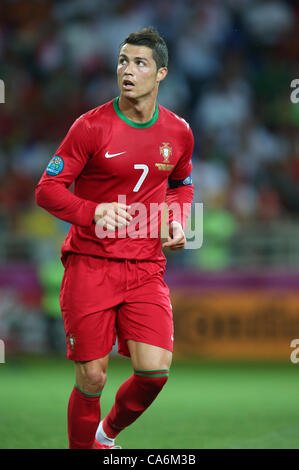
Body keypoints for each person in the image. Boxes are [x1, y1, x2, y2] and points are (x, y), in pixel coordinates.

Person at [35, 26, 194, 449]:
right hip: (91, 263)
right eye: (123, 60)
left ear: (161, 73)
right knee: (92, 376)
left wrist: (177, 221)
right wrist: (93, 211)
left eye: (140, 62)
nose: (127, 69)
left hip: (145, 267)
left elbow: (181, 183)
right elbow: (46, 189)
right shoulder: (90, 127)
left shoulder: (178, 132)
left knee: (155, 373)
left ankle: (104, 436)